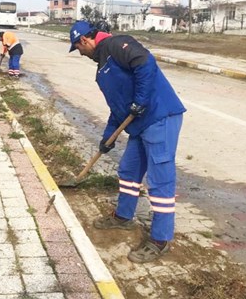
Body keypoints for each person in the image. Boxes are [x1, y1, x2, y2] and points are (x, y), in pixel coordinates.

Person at [68, 20, 186, 263]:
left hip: (159, 116)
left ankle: (160, 240)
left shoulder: (115, 45)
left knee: (159, 180)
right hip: (139, 124)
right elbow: (118, 108)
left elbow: (146, 62)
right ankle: (123, 217)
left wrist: (141, 100)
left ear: (84, 41)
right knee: (128, 170)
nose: (80, 53)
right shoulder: (102, 68)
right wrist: (107, 138)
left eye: (78, 49)